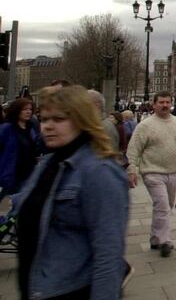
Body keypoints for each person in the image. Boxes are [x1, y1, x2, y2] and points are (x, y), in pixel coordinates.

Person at [12, 85, 129, 299]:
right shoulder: (47, 164)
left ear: (81, 120)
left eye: (58, 119)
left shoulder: (99, 171)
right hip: (39, 287)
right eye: (44, 119)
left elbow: (109, 255)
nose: (47, 126)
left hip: (71, 289)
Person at [126, 91, 176, 258]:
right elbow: (134, 149)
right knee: (162, 206)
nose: (165, 105)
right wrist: (132, 170)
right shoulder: (145, 125)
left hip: (173, 172)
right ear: (154, 104)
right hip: (152, 172)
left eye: (167, 102)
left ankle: (155, 237)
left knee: (166, 206)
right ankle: (165, 240)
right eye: (161, 102)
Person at [0, 98, 41, 207]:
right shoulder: (6, 129)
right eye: (25, 109)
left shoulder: (31, 128)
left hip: (28, 173)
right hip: (10, 175)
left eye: (30, 109)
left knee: (21, 204)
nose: (28, 112)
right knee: (5, 204)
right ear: (17, 110)